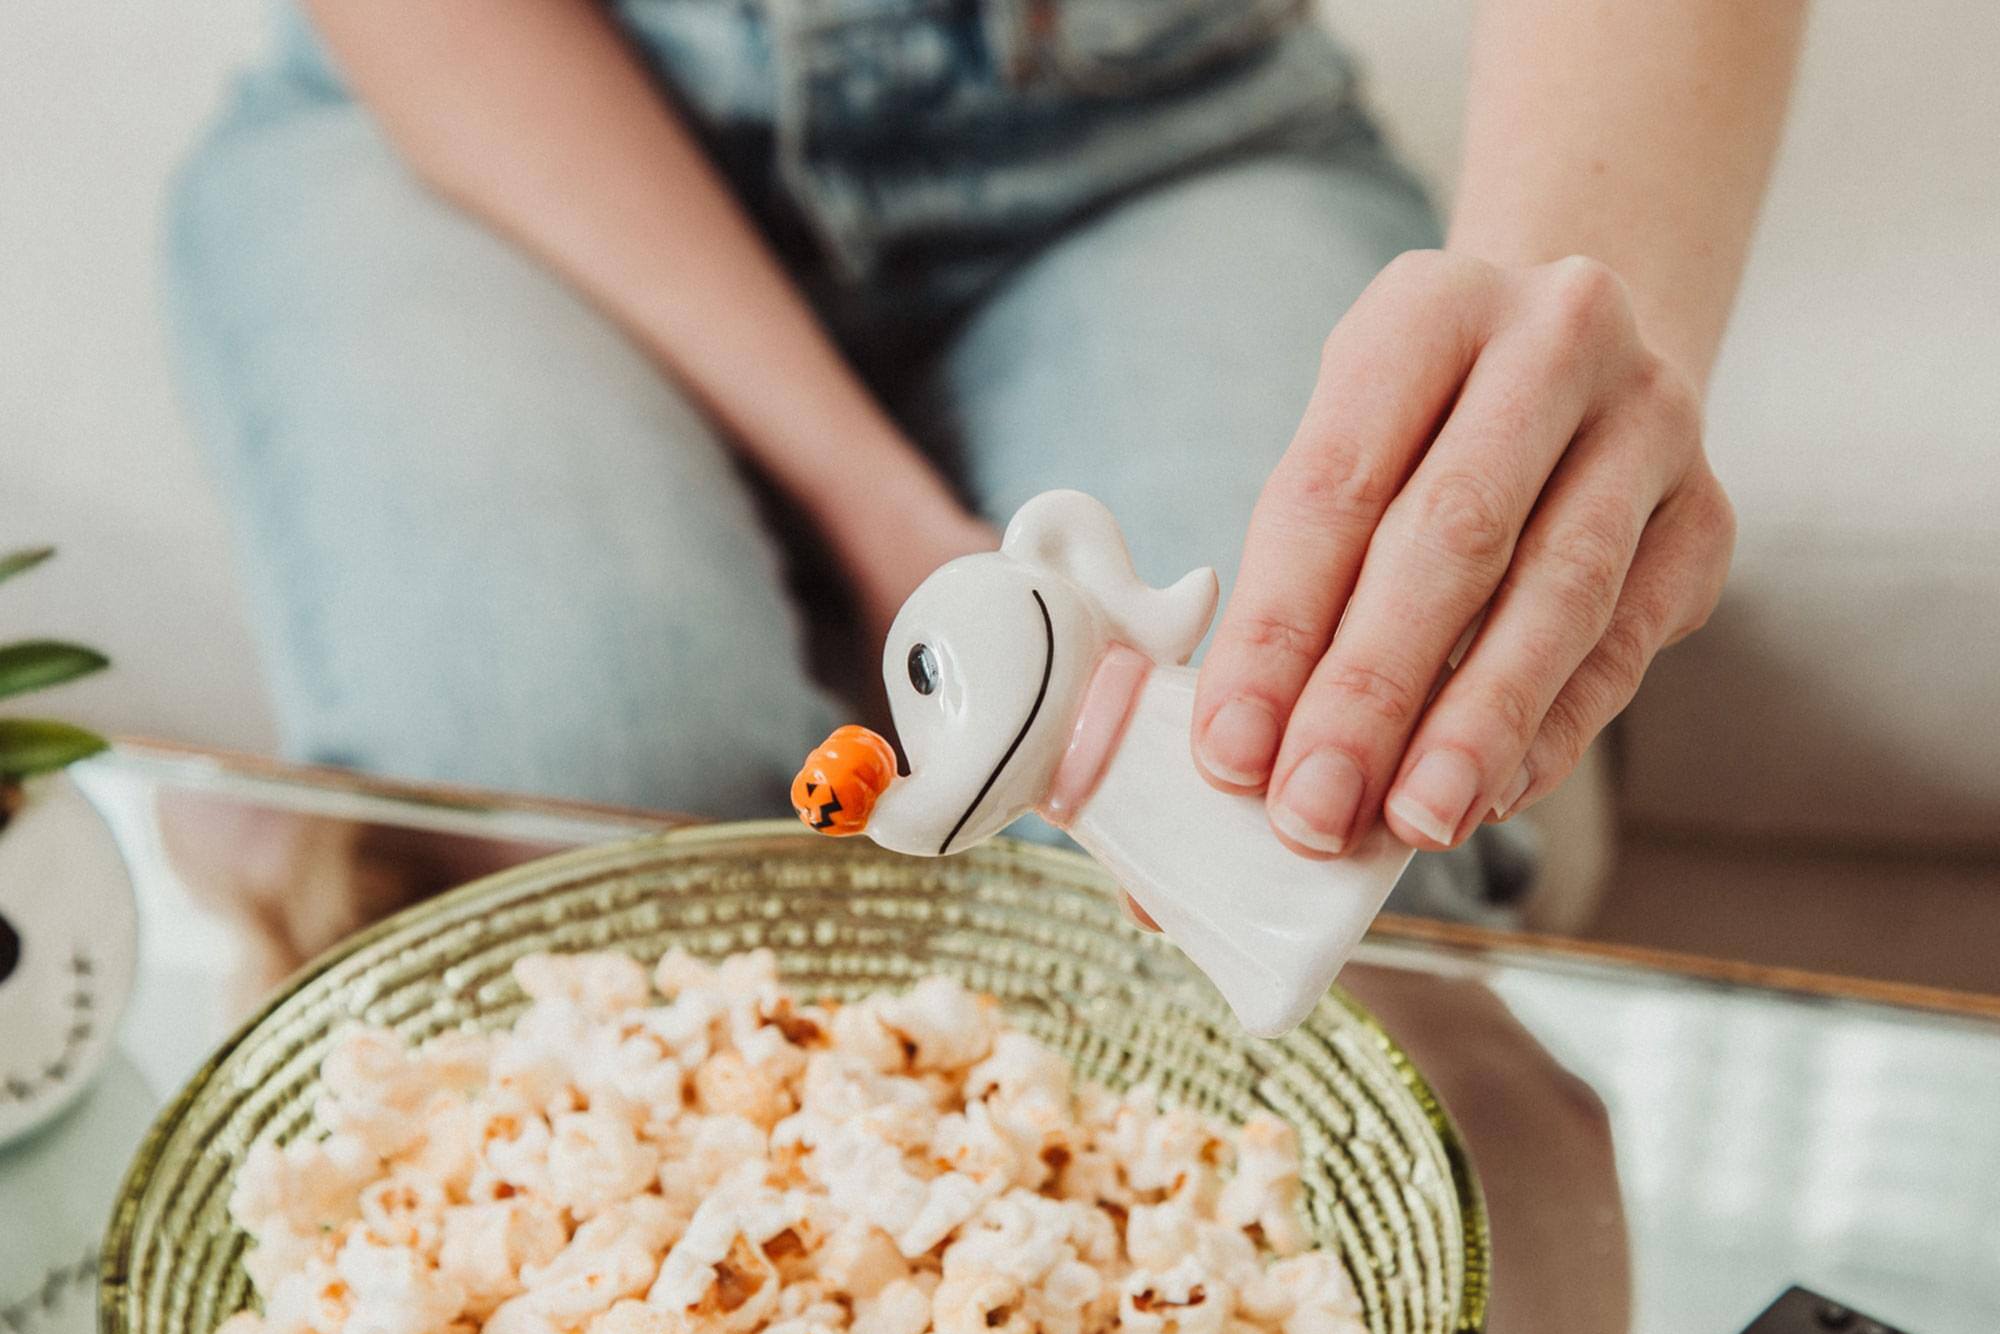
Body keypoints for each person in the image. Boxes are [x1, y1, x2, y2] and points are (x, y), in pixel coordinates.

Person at [165, 0, 1804, 934]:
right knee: (563, 788)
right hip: (499, 102)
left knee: (1294, 841)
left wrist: (1561, 369)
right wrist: (873, 503)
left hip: (1163, 139)